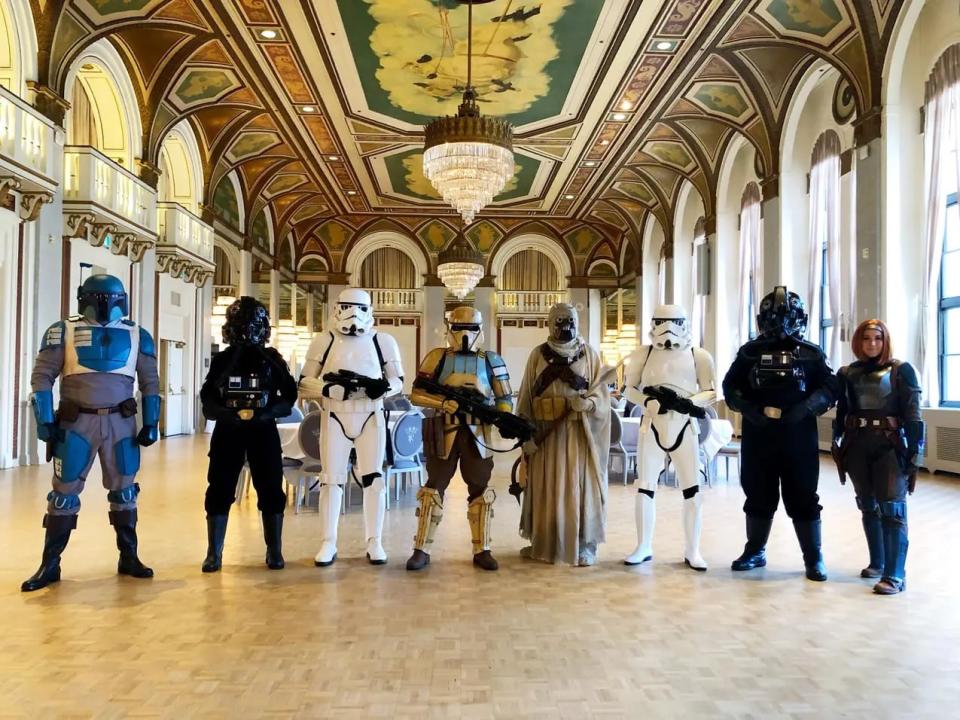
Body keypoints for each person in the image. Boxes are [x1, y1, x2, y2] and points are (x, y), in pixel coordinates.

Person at [22, 274, 161, 592]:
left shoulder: (138, 335)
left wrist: (152, 422)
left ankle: (129, 556)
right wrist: (44, 420)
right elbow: (42, 378)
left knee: (125, 491)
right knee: (63, 492)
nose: (103, 304)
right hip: (77, 422)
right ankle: (50, 564)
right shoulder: (63, 331)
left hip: (120, 423)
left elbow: (151, 383)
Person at [723, 286, 839, 581]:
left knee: (803, 495)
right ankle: (755, 550)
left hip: (798, 437)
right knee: (758, 493)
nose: (781, 325)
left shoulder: (811, 354)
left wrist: (807, 408)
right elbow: (730, 387)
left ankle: (813, 557)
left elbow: (831, 387)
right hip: (759, 435)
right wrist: (750, 410)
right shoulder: (750, 352)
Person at [406, 306, 515, 571]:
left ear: (481, 330)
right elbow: (416, 394)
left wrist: (501, 417)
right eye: (458, 328)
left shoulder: (491, 359)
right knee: (433, 489)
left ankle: (482, 548)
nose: (465, 334)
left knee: (480, 490)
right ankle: (421, 548)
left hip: (478, 432)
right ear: (449, 329)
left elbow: (504, 397)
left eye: (471, 329)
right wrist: (443, 402)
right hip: (443, 428)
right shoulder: (437, 357)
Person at [299, 288, 403, 566]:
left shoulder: (383, 340)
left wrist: (380, 389)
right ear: (337, 307)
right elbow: (305, 380)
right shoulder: (325, 340)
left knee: (374, 479)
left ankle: (375, 540)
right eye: (346, 306)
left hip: (371, 414)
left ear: (370, 310)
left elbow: (398, 380)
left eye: (359, 308)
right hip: (335, 414)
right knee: (331, 479)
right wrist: (329, 388)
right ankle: (328, 541)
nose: (353, 314)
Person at [199, 297, 298, 572]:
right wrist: (222, 413)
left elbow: (289, 396)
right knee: (219, 487)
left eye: (252, 324)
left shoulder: (273, 359)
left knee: (269, 487)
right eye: (240, 324)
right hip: (228, 430)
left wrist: (265, 413)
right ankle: (213, 552)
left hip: (262, 430)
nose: (246, 330)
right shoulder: (222, 360)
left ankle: (274, 550)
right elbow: (207, 396)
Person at [623, 304, 717, 571]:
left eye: (673, 322)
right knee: (645, 486)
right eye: (662, 322)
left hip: (684, 426)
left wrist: (687, 403)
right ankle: (644, 545)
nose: (668, 328)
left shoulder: (699, 355)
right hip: (652, 424)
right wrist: (647, 401)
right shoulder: (644, 354)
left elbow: (710, 392)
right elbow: (629, 389)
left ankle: (693, 549)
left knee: (692, 488)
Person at [515, 303, 610, 566]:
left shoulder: (589, 355)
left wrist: (589, 404)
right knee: (545, 487)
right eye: (558, 320)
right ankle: (544, 542)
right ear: (549, 322)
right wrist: (525, 437)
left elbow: (601, 396)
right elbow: (525, 397)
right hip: (545, 436)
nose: (564, 325)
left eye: (569, 320)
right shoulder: (537, 355)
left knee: (576, 487)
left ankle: (583, 544)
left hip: (578, 435)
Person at [833, 319, 923, 595]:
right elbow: (842, 413)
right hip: (858, 445)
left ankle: (895, 575)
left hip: (890, 445)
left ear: (885, 341)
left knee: (892, 509)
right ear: (857, 342)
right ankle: (878, 561)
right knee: (868, 505)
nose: (872, 343)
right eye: (866, 338)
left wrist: (915, 451)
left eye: (877, 338)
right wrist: (838, 444)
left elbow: (913, 414)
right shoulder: (847, 373)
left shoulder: (901, 370)